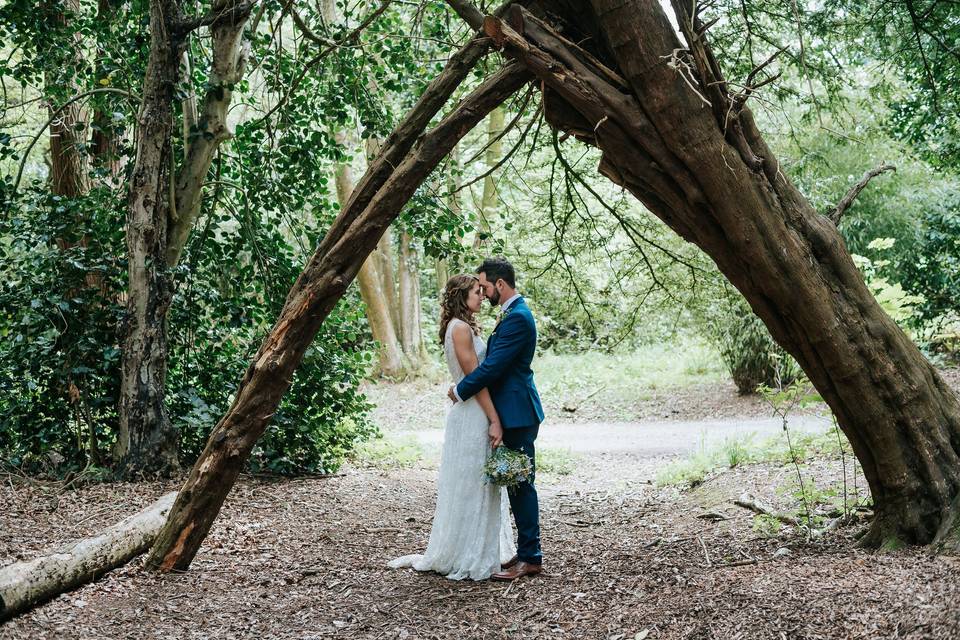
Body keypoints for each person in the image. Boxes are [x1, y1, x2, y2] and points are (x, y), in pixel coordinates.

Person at [387, 274, 515, 580]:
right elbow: (475, 381)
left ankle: (483, 546)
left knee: (478, 482)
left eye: (482, 291)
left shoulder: (462, 326)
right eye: (476, 291)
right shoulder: (459, 329)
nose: (482, 296)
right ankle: (467, 551)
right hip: (472, 414)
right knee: (473, 483)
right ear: (461, 295)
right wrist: (495, 419)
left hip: (471, 410)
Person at [449, 257, 545, 581]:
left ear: (500, 285)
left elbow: (492, 368)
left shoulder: (518, 317)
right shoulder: (511, 314)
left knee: (521, 485)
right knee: (517, 485)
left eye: (486, 286)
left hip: (518, 412)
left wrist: (460, 390)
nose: (484, 292)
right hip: (513, 409)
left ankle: (531, 557)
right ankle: (526, 550)